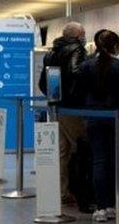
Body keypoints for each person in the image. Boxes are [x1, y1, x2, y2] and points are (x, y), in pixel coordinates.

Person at [76, 30, 119, 222]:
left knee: (98, 161)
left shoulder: (85, 66)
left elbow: (78, 92)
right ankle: (115, 204)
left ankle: (101, 207)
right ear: (115, 46)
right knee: (116, 161)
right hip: (116, 118)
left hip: (93, 118)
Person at [38, 22, 89, 205]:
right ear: (76, 35)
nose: (85, 36)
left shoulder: (51, 53)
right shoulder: (78, 49)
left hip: (56, 106)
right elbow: (78, 73)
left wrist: (56, 96)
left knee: (62, 150)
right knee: (83, 146)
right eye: (83, 33)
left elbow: (43, 83)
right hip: (73, 107)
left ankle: (62, 191)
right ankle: (84, 191)